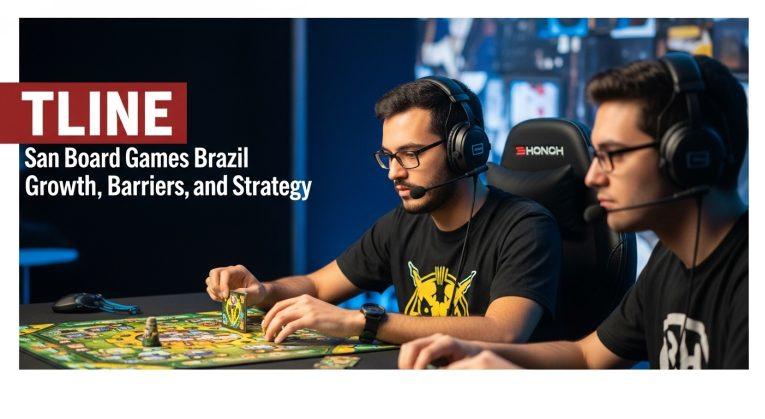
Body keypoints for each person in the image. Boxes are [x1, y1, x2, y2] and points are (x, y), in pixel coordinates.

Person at [398, 53, 748, 369]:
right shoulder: (669, 261)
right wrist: (474, 352)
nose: (594, 177)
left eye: (612, 155)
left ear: (690, 157)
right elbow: (588, 356)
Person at [205, 76, 562, 345]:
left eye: (410, 154)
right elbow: (317, 284)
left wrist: (363, 322)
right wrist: (262, 291)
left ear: (463, 149)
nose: (394, 172)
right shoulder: (402, 224)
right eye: (389, 157)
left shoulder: (526, 226)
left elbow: (503, 332)